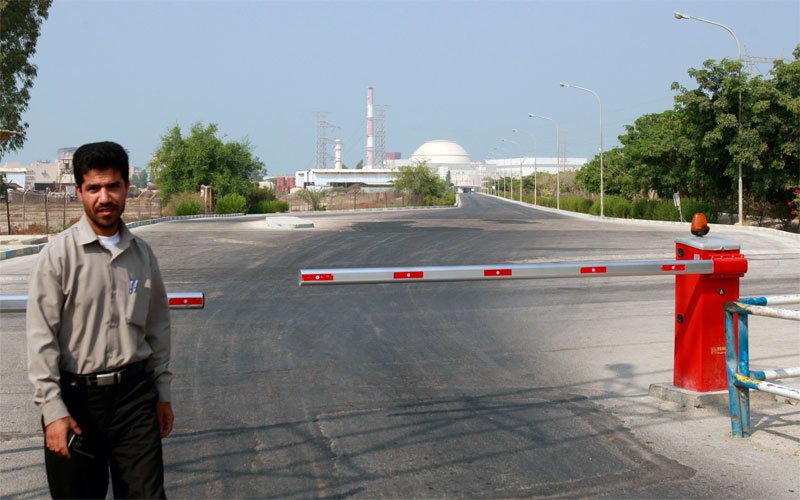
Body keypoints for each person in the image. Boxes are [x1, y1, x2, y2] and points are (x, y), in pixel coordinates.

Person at [26, 141, 174, 499]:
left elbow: (157, 327)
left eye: (113, 186)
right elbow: (41, 338)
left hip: (134, 400)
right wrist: (52, 410)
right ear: (79, 191)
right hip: (76, 402)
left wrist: (162, 393)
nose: (104, 197)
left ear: (126, 187)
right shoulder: (57, 256)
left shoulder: (142, 255)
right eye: (93, 188)